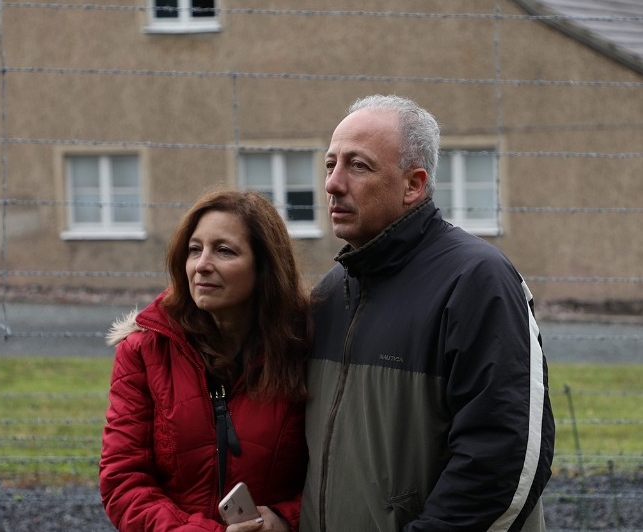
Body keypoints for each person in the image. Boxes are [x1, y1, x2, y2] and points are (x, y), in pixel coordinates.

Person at [299, 95, 555, 532]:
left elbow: (504, 457)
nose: (333, 184)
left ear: (413, 185)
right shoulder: (330, 293)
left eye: (358, 166)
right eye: (330, 165)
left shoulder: (476, 281)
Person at [100, 189, 311, 532]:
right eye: (194, 249)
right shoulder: (144, 350)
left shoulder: (305, 348)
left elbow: (338, 469)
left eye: (224, 250)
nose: (201, 265)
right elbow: (123, 481)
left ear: (265, 267)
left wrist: (287, 519)